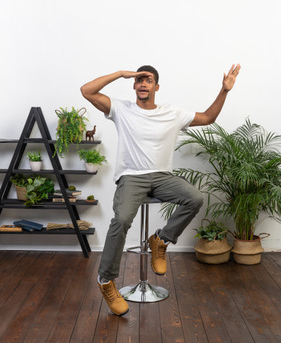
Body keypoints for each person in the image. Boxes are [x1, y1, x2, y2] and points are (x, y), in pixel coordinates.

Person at [80, 63, 241, 315]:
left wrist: (224, 90)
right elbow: (87, 91)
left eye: (148, 80)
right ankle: (106, 280)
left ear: (156, 86)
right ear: (134, 85)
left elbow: (208, 118)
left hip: (163, 177)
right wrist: (121, 73)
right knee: (121, 219)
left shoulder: (172, 113)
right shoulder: (122, 109)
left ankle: (161, 239)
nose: (143, 83)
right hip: (132, 177)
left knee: (195, 198)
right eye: (139, 80)